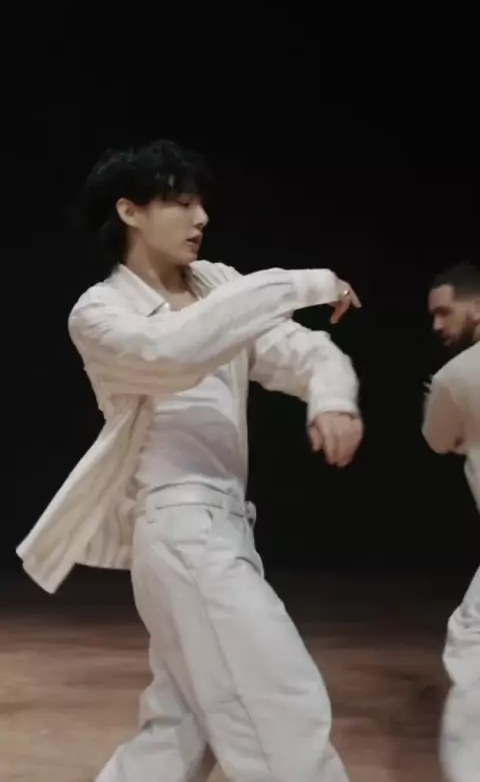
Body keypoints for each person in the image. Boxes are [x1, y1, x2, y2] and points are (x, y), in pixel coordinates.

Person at [17, 139, 364, 782]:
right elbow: (175, 351)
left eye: (201, 203)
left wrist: (331, 397)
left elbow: (304, 351)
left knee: (178, 736)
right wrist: (305, 283)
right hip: (181, 530)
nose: (200, 217)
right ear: (129, 211)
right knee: (277, 704)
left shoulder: (220, 286)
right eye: (180, 203)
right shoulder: (100, 312)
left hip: (224, 529)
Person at [423, 262, 480, 782]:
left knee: (472, 645)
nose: (437, 325)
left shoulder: (458, 376)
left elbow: (439, 439)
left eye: (445, 312)